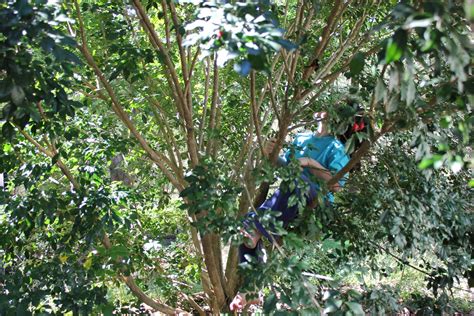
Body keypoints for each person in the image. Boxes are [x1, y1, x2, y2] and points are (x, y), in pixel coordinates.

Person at [230, 111, 366, 311]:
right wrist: (272, 154)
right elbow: (285, 167)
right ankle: (251, 289)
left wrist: (311, 163)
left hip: (315, 200)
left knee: (297, 182)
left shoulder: (336, 147)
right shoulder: (301, 138)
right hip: (289, 195)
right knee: (246, 227)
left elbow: (336, 186)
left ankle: (260, 229)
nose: (324, 112)